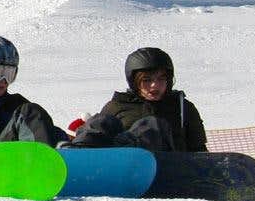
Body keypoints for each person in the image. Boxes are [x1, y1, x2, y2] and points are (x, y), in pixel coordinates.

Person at [69, 47, 208, 152]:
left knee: (152, 125)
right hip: (120, 167)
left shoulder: (182, 107)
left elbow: (200, 152)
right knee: (102, 122)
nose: (154, 85)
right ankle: (77, 156)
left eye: (161, 79)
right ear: (134, 82)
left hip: (166, 172)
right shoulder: (117, 106)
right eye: (147, 80)